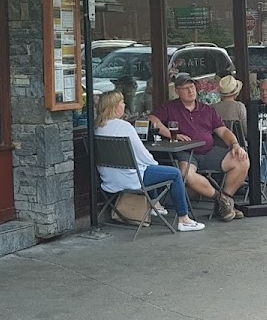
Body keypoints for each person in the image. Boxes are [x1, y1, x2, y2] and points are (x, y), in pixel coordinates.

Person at [94, 91, 205, 232]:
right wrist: (155, 164)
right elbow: (143, 155)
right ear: (115, 107)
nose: (124, 105)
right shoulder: (124, 127)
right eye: (122, 103)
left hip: (109, 179)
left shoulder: (97, 128)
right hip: (131, 179)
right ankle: (184, 219)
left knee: (150, 168)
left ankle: (155, 205)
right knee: (174, 173)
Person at [149, 73, 250, 222]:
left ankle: (225, 201)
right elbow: (152, 120)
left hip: (209, 151)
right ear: (177, 91)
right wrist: (172, 135)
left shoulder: (207, 109)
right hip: (185, 152)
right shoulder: (170, 107)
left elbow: (223, 131)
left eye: (192, 87)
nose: (190, 91)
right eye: (185, 88)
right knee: (186, 174)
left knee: (242, 160)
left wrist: (235, 144)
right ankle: (222, 200)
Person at [212, 75, 247, 139]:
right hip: (236, 143)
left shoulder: (212, 108)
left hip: (217, 144)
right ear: (237, 93)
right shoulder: (239, 107)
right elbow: (245, 130)